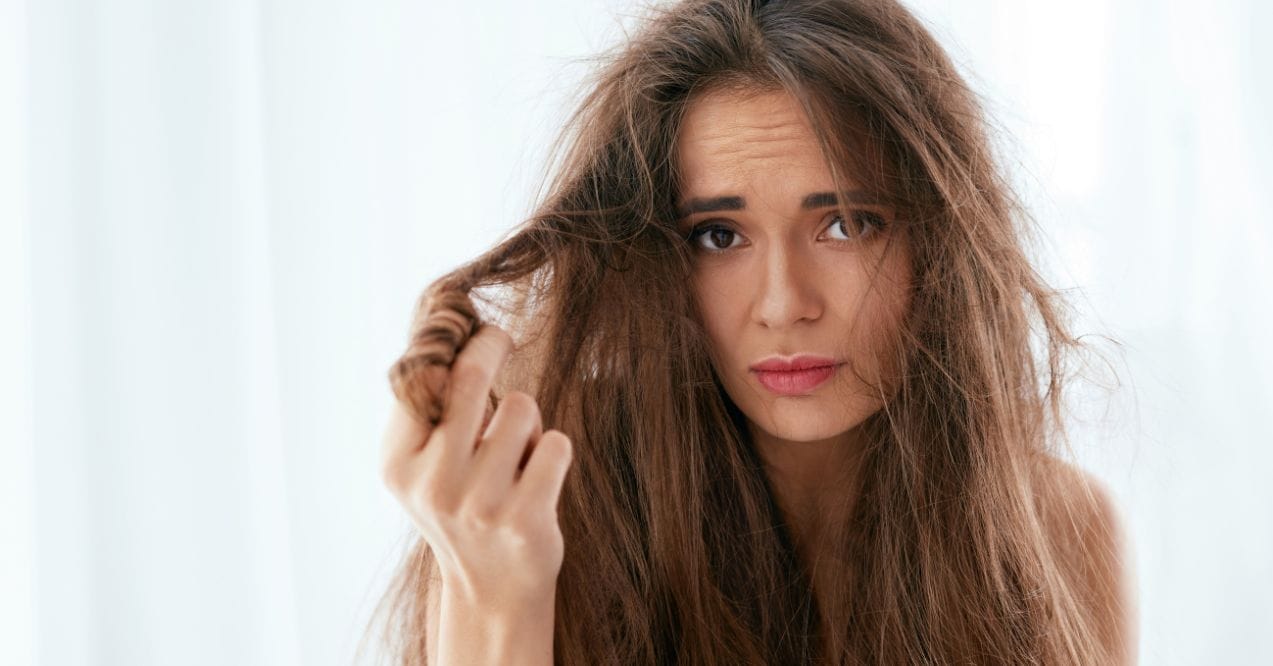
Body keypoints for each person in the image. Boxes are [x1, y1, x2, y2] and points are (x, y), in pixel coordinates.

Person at [368, 0, 1137, 663]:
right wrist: (496, 596)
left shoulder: (1056, 532)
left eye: (845, 224)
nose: (782, 304)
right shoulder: (536, 520)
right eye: (718, 235)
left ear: (941, 244)